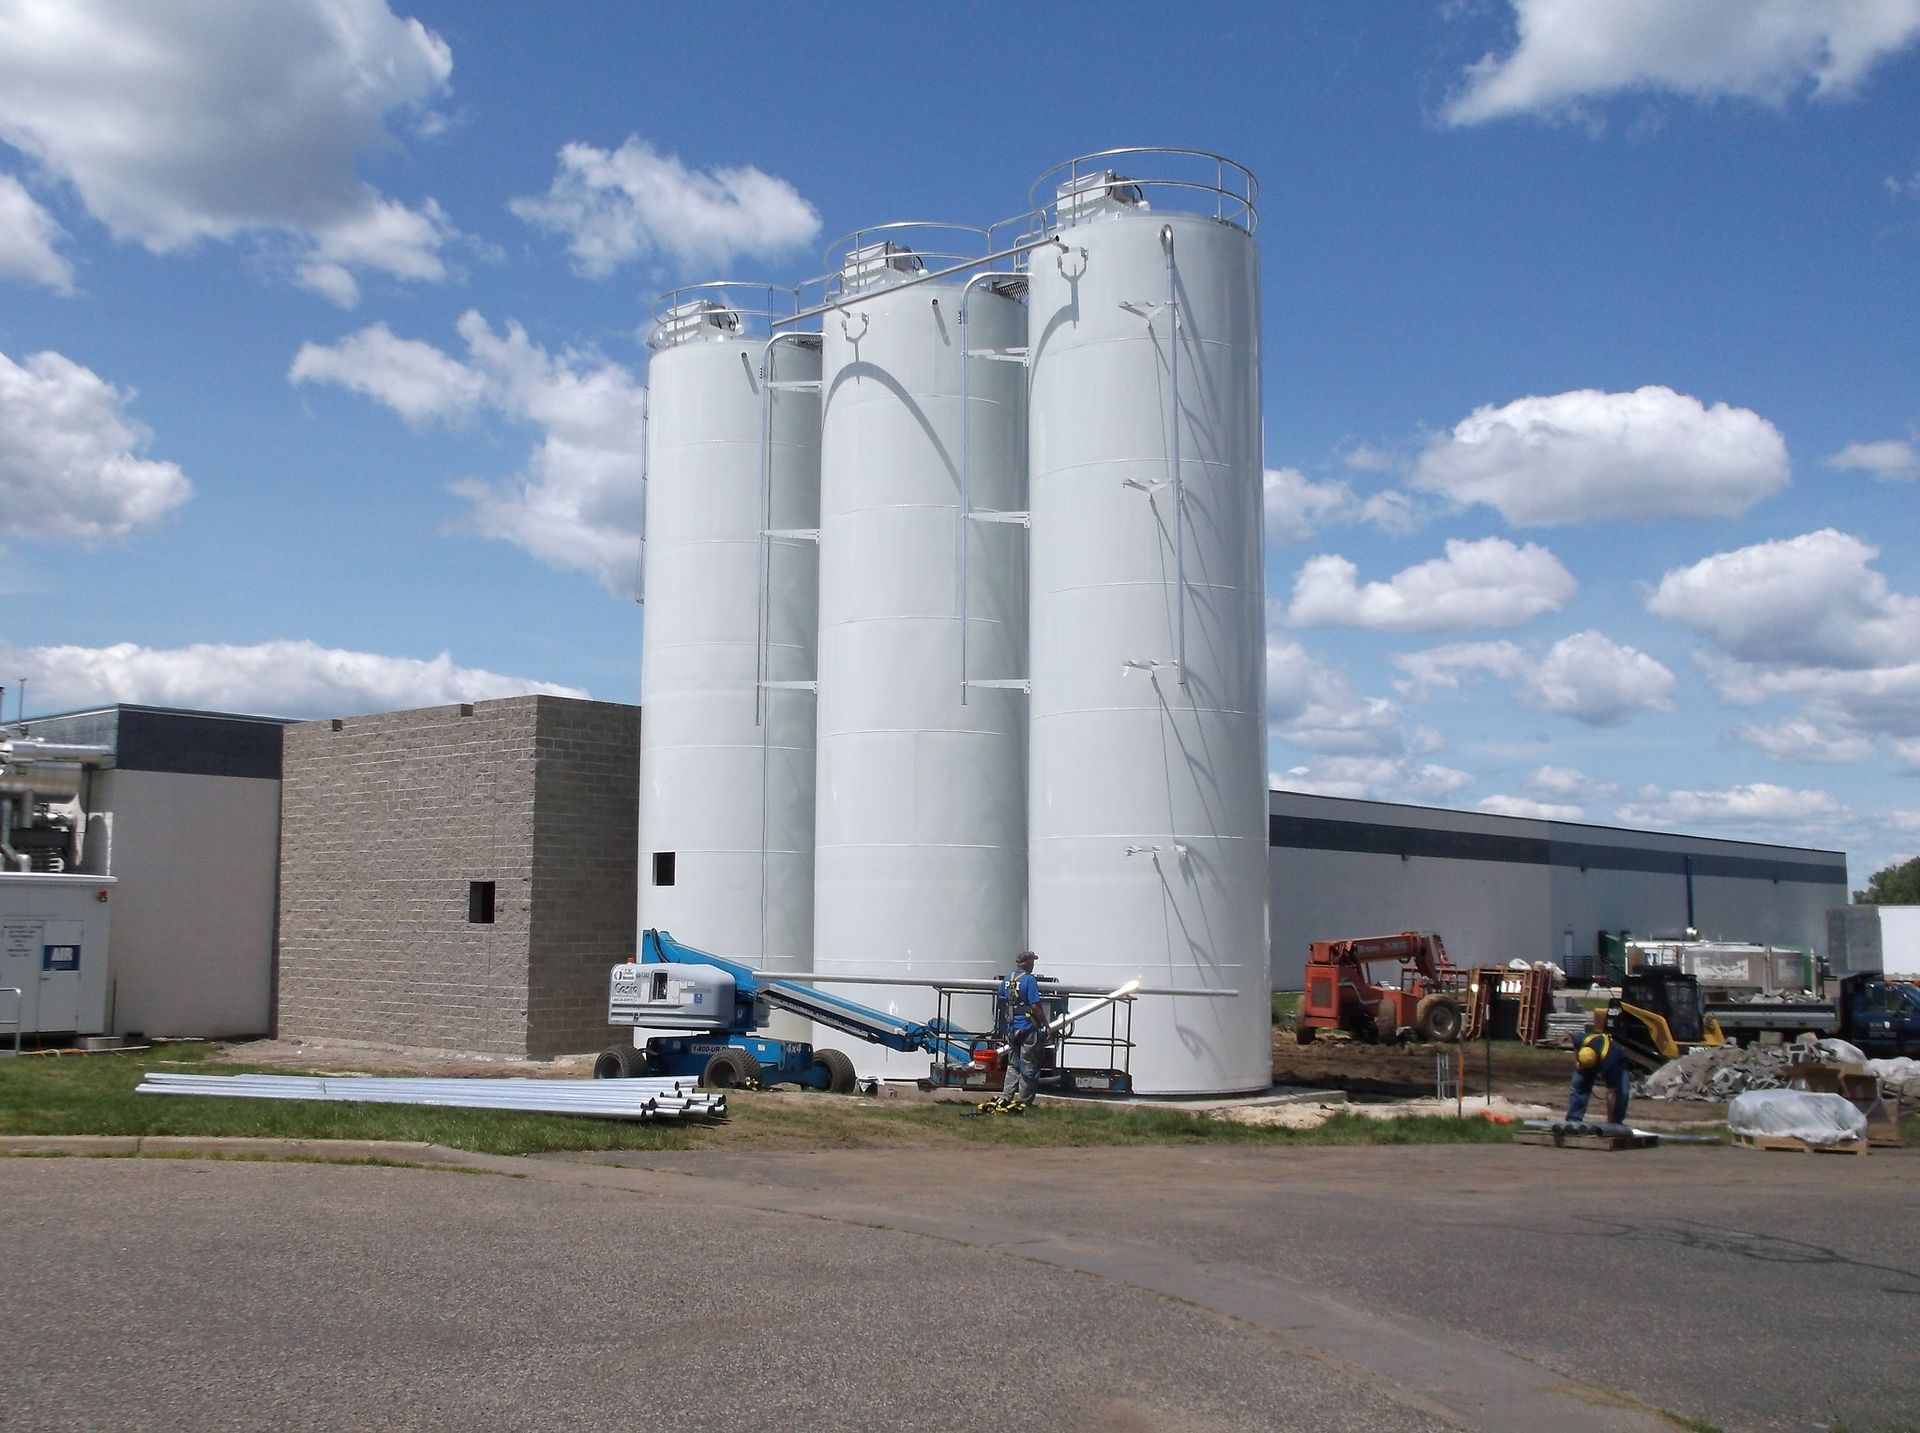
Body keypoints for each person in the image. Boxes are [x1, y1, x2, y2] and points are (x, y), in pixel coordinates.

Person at [987, 950, 1046, 1115]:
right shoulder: (1029, 980)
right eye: (1032, 961)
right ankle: (1024, 1102)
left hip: (1011, 1029)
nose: (1033, 964)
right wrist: (1045, 1025)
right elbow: (1035, 1006)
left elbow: (1001, 1000)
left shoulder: (1008, 979)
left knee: (1013, 1064)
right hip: (1027, 1028)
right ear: (1026, 962)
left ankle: (1006, 1097)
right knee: (1028, 1066)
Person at [1566, 1030, 1632, 1126]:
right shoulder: (1581, 1040)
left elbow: (1611, 1092)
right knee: (1578, 1085)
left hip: (1617, 1059)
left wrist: (1610, 1121)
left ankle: (1615, 1123)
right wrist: (1578, 1061)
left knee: (1621, 1093)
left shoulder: (1610, 1062)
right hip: (1591, 1057)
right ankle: (1573, 1120)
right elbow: (1573, 1040)